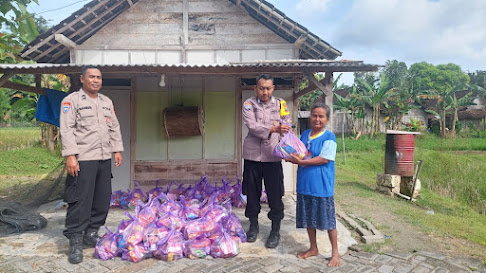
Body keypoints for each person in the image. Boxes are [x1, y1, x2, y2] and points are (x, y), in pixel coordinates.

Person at [59, 65, 124, 264]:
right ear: (82, 79)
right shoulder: (72, 100)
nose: (95, 80)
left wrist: (117, 149)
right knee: (80, 199)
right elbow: (67, 129)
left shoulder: (106, 101)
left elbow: (114, 126)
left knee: (102, 198)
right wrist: (70, 155)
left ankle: (91, 233)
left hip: (103, 158)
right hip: (83, 159)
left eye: (99, 77)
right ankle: (76, 240)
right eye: (91, 77)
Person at [285, 102, 341, 267]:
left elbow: (324, 158)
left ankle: (335, 253)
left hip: (322, 186)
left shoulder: (329, 137)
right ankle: (313, 248)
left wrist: (301, 161)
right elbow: (300, 154)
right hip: (305, 184)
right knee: (309, 219)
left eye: (321, 116)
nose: (317, 119)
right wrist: (288, 156)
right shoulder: (305, 134)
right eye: (314, 115)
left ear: (327, 119)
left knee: (329, 221)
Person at [242, 74, 291, 248]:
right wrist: (274, 128)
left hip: (273, 156)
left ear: (273, 88)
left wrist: (285, 130)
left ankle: (275, 230)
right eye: (261, 88)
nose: (265, 91)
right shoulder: (248, 104)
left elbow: (287, 124)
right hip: (252, 156)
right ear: (256, 88)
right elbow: (252, 126)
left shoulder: (281, 104)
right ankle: (253, 226)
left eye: (268, 88)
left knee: (275, 194)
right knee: (252, 193)